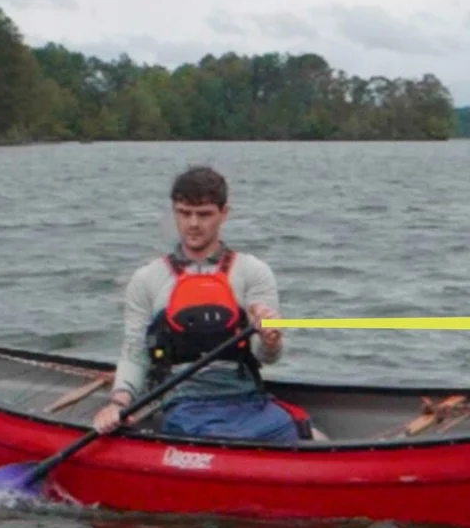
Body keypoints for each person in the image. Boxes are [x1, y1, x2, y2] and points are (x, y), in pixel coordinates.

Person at [91, 165, 309, 443]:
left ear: (223, 214)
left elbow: (268, 358)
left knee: (302, 431)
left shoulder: (253, 272)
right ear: (175, 212)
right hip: (182, 403)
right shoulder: (147, 279)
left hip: (245, 398)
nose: (193, 224)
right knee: (223, 437)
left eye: (204, 214)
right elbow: (135, 354)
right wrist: (119, 403)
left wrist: (270, 339)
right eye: (184, 213)